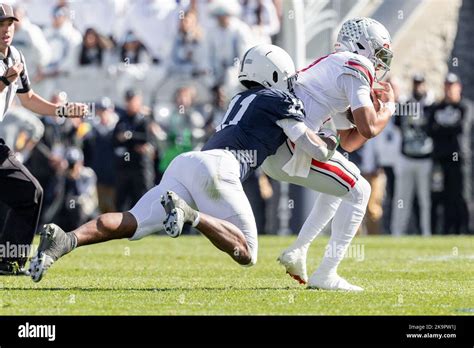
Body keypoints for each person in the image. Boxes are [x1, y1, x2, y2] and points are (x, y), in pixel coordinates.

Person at [29, 44, 337, 282]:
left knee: (131, 221)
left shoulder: (238, 100)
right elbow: (312, 146)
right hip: (220, 167)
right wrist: (330, 144)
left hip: (187, 163)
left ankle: (65, 239)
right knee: (247, 253)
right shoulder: (279, 99)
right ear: (275, 73)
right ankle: (190, 215)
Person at [262, 17, 395, 290]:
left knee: (342, 184)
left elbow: (349, 141)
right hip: (291, 143)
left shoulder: (333, 67)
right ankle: (326, 274)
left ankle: (299, 249)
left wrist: (373, 112)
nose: (380, 62)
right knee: (361, 191)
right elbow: (368, 128)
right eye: (378, 53)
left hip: (277, 148)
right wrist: (389, 109)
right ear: (361, 45)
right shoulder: (355, 64)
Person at [0, 3, 88, 275]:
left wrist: (62, 110)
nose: (6, 31)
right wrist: (3, 82)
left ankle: (9, 262)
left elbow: (28, 100)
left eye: (9, 25)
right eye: (0, 25)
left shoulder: (16, 55)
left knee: (30, 192)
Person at [391, 74, 434, 236]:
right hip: (406, 157)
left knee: (425, 199)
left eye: (420, 84)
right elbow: (396, 126)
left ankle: (426, 232)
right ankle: (397, 232)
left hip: (425, 158)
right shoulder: (405, 104)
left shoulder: (431, 106)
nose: (418, 87)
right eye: (416, 84)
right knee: (402, 198)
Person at [427, 73, 470, 234]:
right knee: (442, 196)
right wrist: (447, 129)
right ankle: (446, 230)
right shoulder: (437, 108)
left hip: (460, 158)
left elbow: (461, 129)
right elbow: (430, 130)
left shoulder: (465, 107)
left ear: (459, 87)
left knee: (461, 195)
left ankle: (465, 229)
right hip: (440, 159)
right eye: (446, 86)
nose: (449, 90)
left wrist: (442, 128)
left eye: (452, 86)